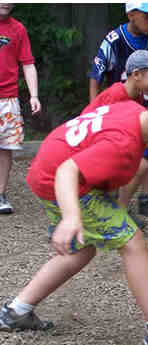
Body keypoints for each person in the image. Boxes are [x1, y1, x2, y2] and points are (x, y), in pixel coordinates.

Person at [0, 83, 148, 345]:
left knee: (80, 251)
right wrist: (71, 217)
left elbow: (98, 113)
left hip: (47, 168)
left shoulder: (130, 108)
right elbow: (67, 171)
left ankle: (16, 311)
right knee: (132, 241)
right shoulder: (121, 144)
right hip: (62, 180)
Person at [89, 1, 148, 219]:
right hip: (120, 106)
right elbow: (96, 75)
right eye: (147, 16)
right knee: (120, 155)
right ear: (131, 14)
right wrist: (95, 113)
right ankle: (112, 200)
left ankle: (146, 197)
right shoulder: (115, 40)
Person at [0, 2, 40, 214]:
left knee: (6, 148)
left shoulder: (18, 29)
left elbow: (27, 63)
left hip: (8, 99)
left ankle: (0, 194)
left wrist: (34, 95)